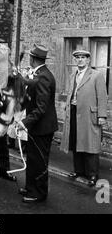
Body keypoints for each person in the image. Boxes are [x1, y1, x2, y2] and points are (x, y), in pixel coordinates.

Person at [16, 44, 58, 204]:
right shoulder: (41, 74)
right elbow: (31, 92)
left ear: (33, 59)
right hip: (37, 126)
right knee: (32, 158)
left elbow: (41, 108)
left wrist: (24, 123)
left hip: (43, 127)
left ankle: (38, 193)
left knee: (39, 161)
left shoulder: (44, 77)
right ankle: (30, 187)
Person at [60, 50, 107, 187]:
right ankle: (78, 171)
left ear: (88, 60)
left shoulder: (96, 75)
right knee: (75, 141)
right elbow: (72, 93)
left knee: (90, 144)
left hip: (89, 114)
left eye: (83, 58)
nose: (80, 60)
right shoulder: (72, 75)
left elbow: (102, 97)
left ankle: (92, 174)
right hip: (74, 112)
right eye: (78, 58)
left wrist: (102, 116)